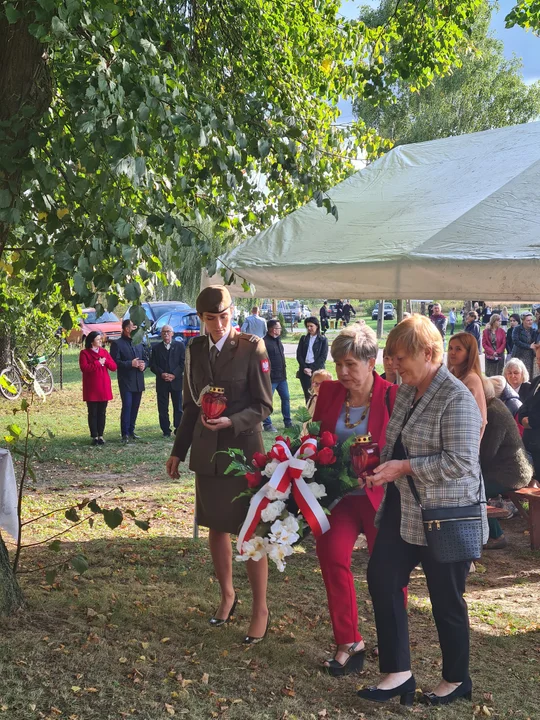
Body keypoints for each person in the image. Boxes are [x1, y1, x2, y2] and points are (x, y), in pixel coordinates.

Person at [358, 314, 486, 707]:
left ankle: (456, 679)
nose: (393, 366)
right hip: (404, 505)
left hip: (445, 513)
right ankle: (397, 673)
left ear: (430, 353)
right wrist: (377, 467)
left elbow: (461, 462)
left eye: (400, 358)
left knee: (445, 597)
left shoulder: (457, 397)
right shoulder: (407, 390)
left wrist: (405, 467)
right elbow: (395, 441)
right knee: (381, 577)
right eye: (391, 358)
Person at [166, 286, 273, 643]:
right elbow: (190, 406)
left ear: (233, 311)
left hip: (242, 452)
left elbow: (263, 405)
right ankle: (228, 594)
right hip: (207, 452)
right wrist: (178, 451)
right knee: (215, 526)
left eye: (223, 315)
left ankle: (261, 608)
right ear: (201, 319)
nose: (218, 323)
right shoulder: (194, 350)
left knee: (251, 530)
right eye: (210, 318)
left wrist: (233, 422)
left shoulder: (250, 347)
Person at [312, 325, 399, 676]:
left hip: (383, 498)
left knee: (389, 573)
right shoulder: (330, 392)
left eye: (350, 364)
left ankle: (394, 642)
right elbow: (317, 440)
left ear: (371, 361)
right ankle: (349, 641)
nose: (343, 372)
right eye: (338, 364)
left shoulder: (393, 395)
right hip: (341, 498)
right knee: (332, 557)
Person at [481, 379, 532, 550]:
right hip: (506, 469)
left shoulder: (493, 412)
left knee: (475, 489)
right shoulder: (493, 406)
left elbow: (488, 453)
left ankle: (497, 536)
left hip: (513, 472)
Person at [110, 319, 148, 444]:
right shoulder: (117, 344)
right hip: (126, 380)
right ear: (127, 329)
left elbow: (145, 358)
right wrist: (130, 364)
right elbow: (115, 363)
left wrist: (144, 365)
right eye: (134, 326)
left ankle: (131, 430)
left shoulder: (138, 342)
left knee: (135, 407)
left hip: (138, 380)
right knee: (127, 406)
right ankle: (124, 433)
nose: (136, 328)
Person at [79, 331, 117, 445]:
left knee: (102, 412)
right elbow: (84, 368)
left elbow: (114, 367)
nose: (100, 341)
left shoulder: (104, 352)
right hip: (91, 387)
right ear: (91, 341)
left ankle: (101, 435)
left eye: (101, 339)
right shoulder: (84, 353)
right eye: (98, 339)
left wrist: (105, 362)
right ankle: (94, 435)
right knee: (93, 412)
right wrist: (97, 363)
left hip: (103, 386)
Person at [447, 332, 487, 436]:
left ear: (469, 353)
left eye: (458, 349)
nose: (452, 352)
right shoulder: (449, 374)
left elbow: (480, 419)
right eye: (450, 348)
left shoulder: (472, 379)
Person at [150, 325, 185, 438]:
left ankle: (179, 428)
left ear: (172, 333)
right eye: (164, 332)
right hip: (162, 382)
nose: (166, 334)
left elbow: (183, 362)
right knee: (163, 407)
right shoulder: (156, 348)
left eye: (168, 331)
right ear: (161, 334)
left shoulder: (180, 346)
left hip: (176, 381)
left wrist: (174, 375)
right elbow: (153, 365)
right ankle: (165, 430)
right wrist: (162, 373)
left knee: (178, 407)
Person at [262, 319, 292, 433]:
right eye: (279, 328)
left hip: (282, 378)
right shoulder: (264, 342)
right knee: (267, 401)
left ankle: (288, 422)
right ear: (273, 329)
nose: (280, 330)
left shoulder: (278, 340)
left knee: (286, 398)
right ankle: (267, 424)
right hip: (270, 378)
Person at [518, 346, 540, 481]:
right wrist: (523, 419)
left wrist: (530, 421)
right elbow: (524, 405)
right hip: (531, 444)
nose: (538, 363)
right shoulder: (536, 380)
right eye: (538, 359)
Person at [296, 316, 328, 402]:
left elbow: (323, 357)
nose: (309, 328)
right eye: (307, 326)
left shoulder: (323, 340)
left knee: (318, 395)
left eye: (311, 326)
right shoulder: (303, 339)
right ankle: (309, 413)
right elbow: (299, 355)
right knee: (308, 396)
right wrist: (305, 367)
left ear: (317, 326)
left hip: (317, 370)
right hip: (305, 369)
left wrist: (312, 369)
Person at [512, 312, 537, 379]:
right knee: (519, 375)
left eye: (531, 320)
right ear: (523, 321)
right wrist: (529, 346)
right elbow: (516, 341)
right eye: (528, 320)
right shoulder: (517, 329)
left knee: (528, 376)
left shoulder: (533, 330)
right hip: (519, 355)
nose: (530, 322)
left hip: (529, 357)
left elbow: (535, 343)